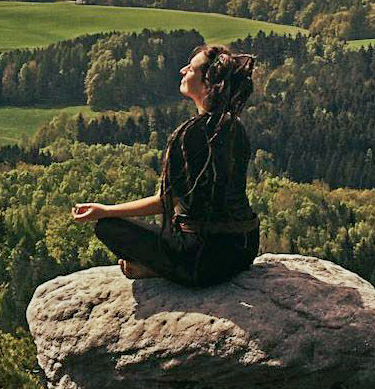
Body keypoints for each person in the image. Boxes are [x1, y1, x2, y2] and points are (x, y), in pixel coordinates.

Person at [71, 43, 260, 286]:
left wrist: (105, 210)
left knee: (108, 227)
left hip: (202, 260)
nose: (183, 70)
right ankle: (156, 266)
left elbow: (166, 201)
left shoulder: (191, 134)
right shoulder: (235, 127)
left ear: (207, 84)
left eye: (191, 70)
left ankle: (156, 269)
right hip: (244, 249)